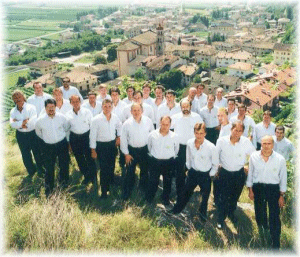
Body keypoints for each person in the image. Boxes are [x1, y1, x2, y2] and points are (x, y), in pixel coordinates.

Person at [171, 123, 218, 222]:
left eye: (201, 133)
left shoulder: (211, 147)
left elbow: (215, 164)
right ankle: (177, 209)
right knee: (185, 193)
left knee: (204, 197)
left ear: (205, 133)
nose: (199, 136)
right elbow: (188, 157)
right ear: (194, 133)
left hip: (205, 175)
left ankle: (202, 214)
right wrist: (189, 168)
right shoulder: (190, 143)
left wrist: (210, 175)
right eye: (197, 133)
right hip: (193, 173)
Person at [246, 135, 287, 249]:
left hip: (273, 189)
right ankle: (263, 234)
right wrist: (250, 190)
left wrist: (281, 195)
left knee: (274, 215)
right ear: (261, 144)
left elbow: (283, 178)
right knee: (260, 213)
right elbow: (250, 174)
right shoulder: (254, 157)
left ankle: (275, 242)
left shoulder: (280, 159)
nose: (266, 146)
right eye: (264, 143)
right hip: (258, 188)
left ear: (273, 145)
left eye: (269, 144)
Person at [215, 120, 256, 229]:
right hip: (224, 173)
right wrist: (217, 167)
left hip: (238, 174)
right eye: (235, 130)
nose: (237, 133)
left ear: (243, 132)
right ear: (231, 129)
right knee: (223, 197)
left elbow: (254, 156)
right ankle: (220, 218)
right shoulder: (222, 141)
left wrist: (247, 165)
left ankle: (231, 213)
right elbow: (215, 155)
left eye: (240, 131)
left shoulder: (246, 142)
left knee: (234, 196)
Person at [35, 99, 70, 197]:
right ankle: (49, 189)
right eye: (48, 107)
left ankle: (64, 183)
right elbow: (39, 133)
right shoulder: (40, 121)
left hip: (61, 144)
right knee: (49, 168)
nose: (51, 109)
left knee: (64, 164)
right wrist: (48, 139)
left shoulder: (62, 117)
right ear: (45, 108)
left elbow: (66, 127)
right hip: (48, 147)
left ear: (56, 107)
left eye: (52, 107)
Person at [120, 103, 154, 200]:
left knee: (144, 170)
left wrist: (151, 151)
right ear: (131, 112)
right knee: (130, 172)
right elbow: (123, 140)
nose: (136, 112)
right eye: (134, 110)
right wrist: (126, 154)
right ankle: (127, 192)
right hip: (132, 151)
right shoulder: (126, 124)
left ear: (142, 111)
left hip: (144, 150)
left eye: (138, 110)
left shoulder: (148, 121)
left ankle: (143, 190)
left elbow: (152, 136)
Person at [171, 99, 203, 199]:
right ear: (180, 107)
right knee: (179, 171)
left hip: (193, 147)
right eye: (183, 107)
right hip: (179, 147)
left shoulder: (196, 117)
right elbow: (170, 130)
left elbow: (201, 131)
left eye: (187, 106)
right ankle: (180, 192)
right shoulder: (175, 117)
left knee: (192, 169)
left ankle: (189, 191)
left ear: (190, 106)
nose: (185, 109)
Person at [90, 99, 122, 198]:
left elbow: (119, 126)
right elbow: (92, 136)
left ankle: (110, 183)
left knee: (112, 166)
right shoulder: (96, 119)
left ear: (112, 107)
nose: (107, 108)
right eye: (105, 106)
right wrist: (93, 150)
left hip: (112, 145)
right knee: (103, 169)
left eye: (109, 106)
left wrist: (119, 137)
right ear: (102, 107)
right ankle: (104, 191)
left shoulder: (115, 117)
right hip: (101, 146)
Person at [10, 90, 44, 177]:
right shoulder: (13, 111)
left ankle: (41, 170)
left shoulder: (31, 107)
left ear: (23, 97)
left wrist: (19, 123)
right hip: (21, 135)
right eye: (15, 98)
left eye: (19, 97)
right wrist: (23, 123)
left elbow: (33, 121)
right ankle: (31, 171)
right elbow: (12, 124)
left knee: (37, 152)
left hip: (32, 134)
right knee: (25, 154)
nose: (18, 99)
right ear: (13, 100)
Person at [146, 116, 179, 206]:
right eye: (163, 124)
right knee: (153, 181)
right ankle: (150, 198)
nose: (164, 126)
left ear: (170, 125)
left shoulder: (174, 136)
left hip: (168, 163)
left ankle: (165, 199)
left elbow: (176, 150)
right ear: (160, 123)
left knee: (167, 182)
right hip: (155, 162)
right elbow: (149, 147)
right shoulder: (152, 135)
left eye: (167, 124)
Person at [65, 95, 97, 187]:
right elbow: (67, 130)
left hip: (86, 137)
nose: (75, 104)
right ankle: (86, 176)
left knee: (90, 158)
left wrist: (93, 141)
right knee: (79, 159)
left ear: (80, 102)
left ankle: (93, 177)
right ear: (70, 103)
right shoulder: (68, 115)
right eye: (73, 102)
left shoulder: (87, 112)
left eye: (77, 101)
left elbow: (92, 126)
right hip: (75, 138)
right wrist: (69, 143)